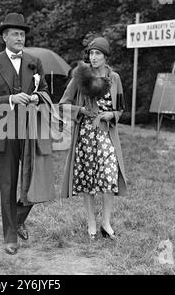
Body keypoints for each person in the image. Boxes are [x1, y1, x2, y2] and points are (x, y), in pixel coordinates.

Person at [0, 13, 54, 255]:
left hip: (31, 129)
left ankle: (20, 217)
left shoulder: (35, 61)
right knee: (8, 184)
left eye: (23, 34)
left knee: (34, 178)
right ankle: (10, 235)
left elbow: (45, 92)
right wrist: (11, 98)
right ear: (4, 36)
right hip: (5, 131)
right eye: (15, 34)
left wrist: (36, 96)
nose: (20, 38)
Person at [59, 37, 127, 240]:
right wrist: (80, 110)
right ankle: (91, 224)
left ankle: (106, 223)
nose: (93, 57)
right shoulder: (80, 77)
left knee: (109, 176)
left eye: (98, 53)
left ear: (106, 57)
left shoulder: (114, 78)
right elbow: (63, 104)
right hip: (85, 135)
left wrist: (111, 115)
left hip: (106, 133)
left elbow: (120, 106)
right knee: (88, 181)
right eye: (91, 53)